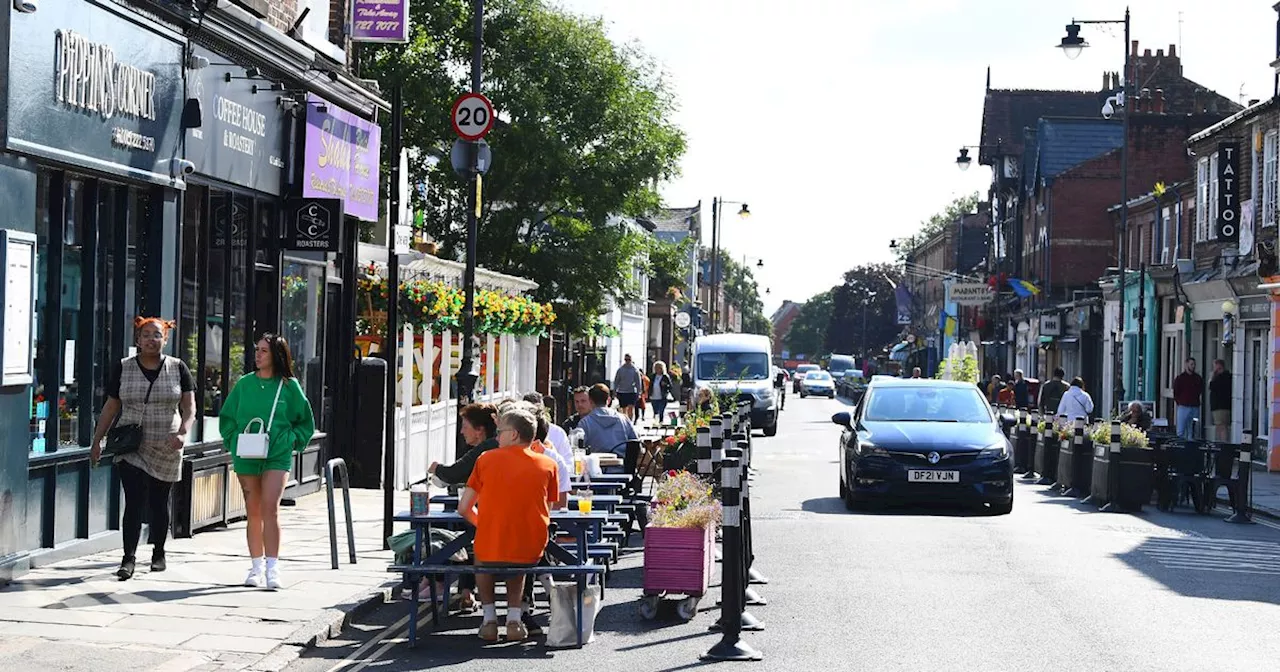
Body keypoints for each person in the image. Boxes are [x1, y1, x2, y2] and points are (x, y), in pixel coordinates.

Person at [91, 317, 195, 581]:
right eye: (146, 335)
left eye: (156, 335)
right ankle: (128, 558)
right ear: (137, 340)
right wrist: (97, 440)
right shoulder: (123, 368)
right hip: (132, 444)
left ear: (165, 339)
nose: (151, 339)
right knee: (134, 501)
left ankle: (159, 551)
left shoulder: (178, 367)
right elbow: (111, 406)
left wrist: (183, 433)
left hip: (167, 443)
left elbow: (189, 407)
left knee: (159, 502)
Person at [219, 334, 316, 590]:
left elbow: (305, 421)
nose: (258, 355)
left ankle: (273, 568)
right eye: (257, 350)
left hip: (277, 455)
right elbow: (227, 418)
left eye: (263, 351)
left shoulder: (289, 386)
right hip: (247, 454)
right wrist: (233, 441)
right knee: (253, 511)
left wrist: (291, 441)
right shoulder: (244, 384)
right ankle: (256, 567)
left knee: (270, 507)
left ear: (276, 354)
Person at [459, 405, 560, 643]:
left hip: (491, 546)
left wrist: (483, 524)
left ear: (513, 434)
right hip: (531, 549)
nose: (496, 436)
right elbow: (548, 511)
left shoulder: (485, 459)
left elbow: (464, 508)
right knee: (518, 555)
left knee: (484, 554)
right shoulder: (549, 465)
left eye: (500, 431)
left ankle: (489, 621)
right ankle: (514, 620)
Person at [429, 404, 500, 485]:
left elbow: (455, 473)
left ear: (479, 430)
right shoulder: (492, 443)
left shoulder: (487, 447)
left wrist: (436, 468)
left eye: (465, 427)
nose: (462, 431)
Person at [577, 383, 638, 457]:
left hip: (596, 466)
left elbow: (578, 448)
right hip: (621, 466)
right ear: (608, 400)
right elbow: (636, 445)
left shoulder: (585, 423)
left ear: (590, 401)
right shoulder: (624, 420)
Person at [524, 392, 572, 465]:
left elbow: (568, 462)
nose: (535, 416)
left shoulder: (558, 433)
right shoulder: (516, 433)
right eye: (531, 412)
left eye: (538, 412)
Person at [1172, 357, 1203, 440]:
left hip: (1195, 407)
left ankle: (1191, 446)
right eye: (1191, 364)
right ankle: (1180, 447)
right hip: (1183, 407)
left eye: (1194, 364)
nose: (1193, 366)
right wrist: (1179, 402)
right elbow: (1176, 392)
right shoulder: (1180, 378)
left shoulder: (1198, 378)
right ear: (1186, 365)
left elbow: (1200, 390)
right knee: (1180, 430)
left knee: (1192, 429)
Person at [612, 354, 643, 420]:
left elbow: (638, 382)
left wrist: (639, 392)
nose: (627, 361)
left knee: (631, 408)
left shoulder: (635, 370)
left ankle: (630, 421)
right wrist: (614, 391)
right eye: (626, 360)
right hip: (622, 391)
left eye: (629, 360)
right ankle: (624, 421)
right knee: (623, 409)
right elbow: (616, 381)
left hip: (631, 391)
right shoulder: (620, 369)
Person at [1209, 359, 1232, 442]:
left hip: (1220, 407)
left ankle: (1223, 444)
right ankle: (1221, 443)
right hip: (1221, 406)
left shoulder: (1221, 377)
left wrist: (1212, 376)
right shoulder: (1227, 377)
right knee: (1221, 426)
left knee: (1221, 426)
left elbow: (1211, 386)